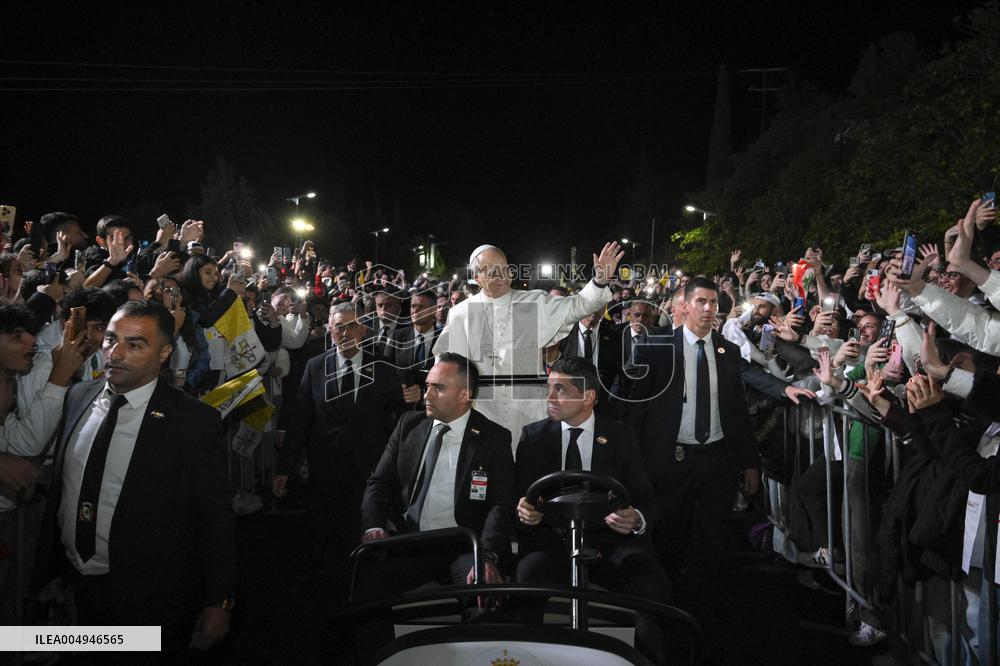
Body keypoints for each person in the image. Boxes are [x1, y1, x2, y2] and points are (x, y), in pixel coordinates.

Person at [39, 301, 236, 658]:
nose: (115, 353)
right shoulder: (78, 396)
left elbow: (214, 516)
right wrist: (51, 569)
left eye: (135, 345)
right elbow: (64, 490)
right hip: (75, 587)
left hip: (148, 596)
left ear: (164, 354)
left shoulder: (193, 422)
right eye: (110, 339)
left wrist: (219, 600)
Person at [626, 276, 759, 659]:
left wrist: (749, 463)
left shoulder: (728, 351)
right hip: (669, 461)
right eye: (701, 301)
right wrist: (634, 465)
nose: (708, 309)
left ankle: (704, 621)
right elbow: (635, 409)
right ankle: (663, 617)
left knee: (713, 541)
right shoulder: (656, 347)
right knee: (667, 538)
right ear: (682, 306)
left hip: (716, 461)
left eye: (714, 303)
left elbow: (738, 413)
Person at [514, 357, 673, 664]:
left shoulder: (621, 435)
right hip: (552, 541)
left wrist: (636, 519)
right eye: (549, 388)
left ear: (588, 397)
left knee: (653, 585)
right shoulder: (534, 437)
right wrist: (525, 512)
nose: (550, 398)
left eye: (560, 390)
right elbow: (521, 497)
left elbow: (646, 498)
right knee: (525, 581)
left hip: (609, 542)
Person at [357, 352, 514, 649]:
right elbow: (378, 483)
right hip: (412, 542)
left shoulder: (493, 438)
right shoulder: (409, 425)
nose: (426, 394)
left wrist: (486, 557)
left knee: (484, 597)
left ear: (465, 395)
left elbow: (501, 505)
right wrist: (373, 526)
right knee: (366, 584)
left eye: (438, 388)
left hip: (464, 546)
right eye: (427, 385)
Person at [272, 302, 402, 596]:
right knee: (322, 530)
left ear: (363, 330)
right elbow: (300, 421)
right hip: (325, 468)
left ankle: (362, 587)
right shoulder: (315, 366)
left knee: (360, 530)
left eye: (352, 326)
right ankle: (321, 585)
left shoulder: (383, 368)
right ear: (329, 330)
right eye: (339, 327)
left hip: (367, 467)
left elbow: (396, 420)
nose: (345, 333)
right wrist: (284, 469)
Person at [436, 242, 623, 442]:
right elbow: (444, 369)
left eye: (506, 270)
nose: (503, 277)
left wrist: (600, 280)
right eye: (493, 273)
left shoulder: (532, 303)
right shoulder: (461, 313)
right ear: (476, 277)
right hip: (481, 412)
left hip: (529, 414)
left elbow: (577, 306)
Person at [558, 308, 622, 415]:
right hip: (569, 397)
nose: (594, 310)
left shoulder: (613, 335)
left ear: (604, 310)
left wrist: (611, 396)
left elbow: (617, 370)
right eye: (591, 305)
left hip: (602, 401)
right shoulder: (563, 334)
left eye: (599, 306)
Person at [384, 289, 440, 410]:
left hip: (435, 408)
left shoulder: (444, 339)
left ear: (433, 310)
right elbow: (385, 371)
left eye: (421, 306)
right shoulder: (397, 336)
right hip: (401, 409)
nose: (415, 311)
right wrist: (400, 389)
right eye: (413, 306)